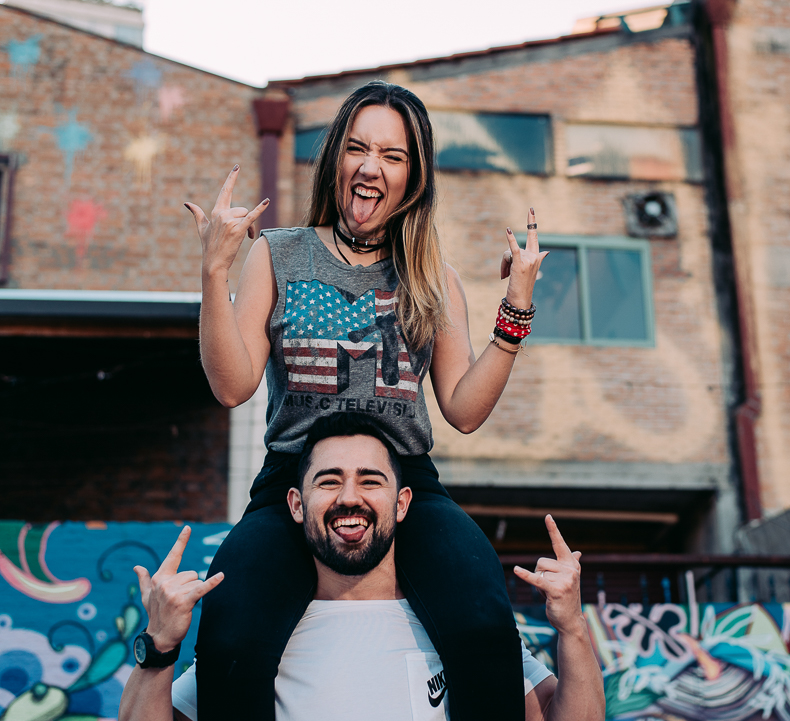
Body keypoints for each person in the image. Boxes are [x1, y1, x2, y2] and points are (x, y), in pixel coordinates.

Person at [186, 81, 548, 720]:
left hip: (404, 482)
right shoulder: (278, 254)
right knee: (231, 633)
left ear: (414, 175)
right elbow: (232, 385)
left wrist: (515, 308)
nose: (371, 167)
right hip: (296, 481)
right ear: (336, 160)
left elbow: (463, 409)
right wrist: (215, 274)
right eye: (358, 148)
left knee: (485, 626)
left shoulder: (432, 274)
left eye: (393, 155)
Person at [117, 414, 604, 721]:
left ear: (402, 503)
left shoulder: (464, 628)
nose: (350, 497)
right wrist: (159, 646)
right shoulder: (254, 637)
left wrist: (573, 630)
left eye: (370, 480)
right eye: (329, 481)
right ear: (295, 503)